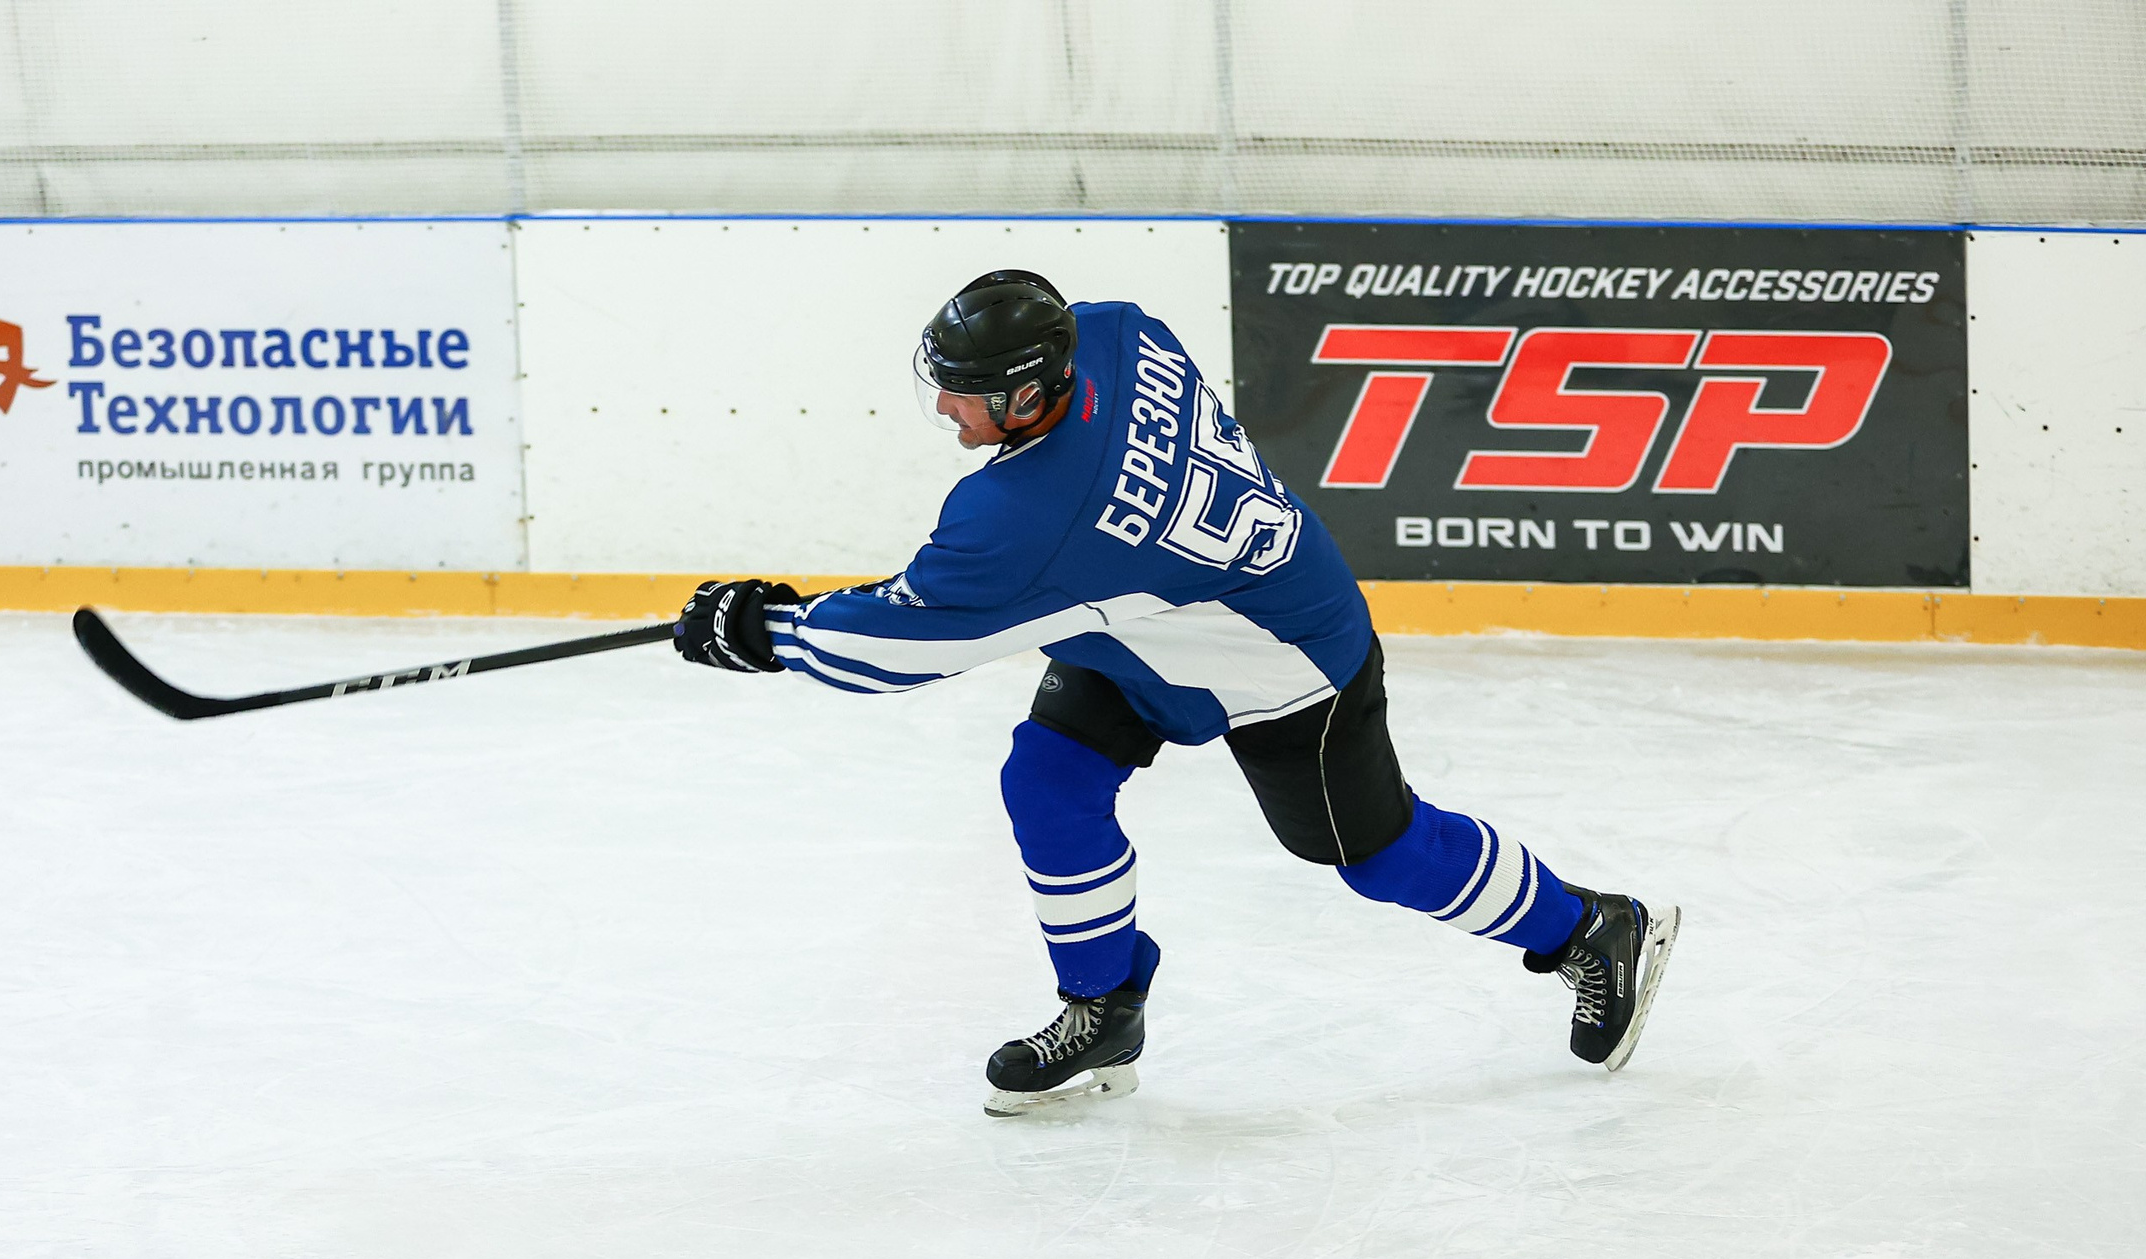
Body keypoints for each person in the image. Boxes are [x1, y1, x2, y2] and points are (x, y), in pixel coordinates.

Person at [673, 271, 1679, 1115]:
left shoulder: (1031, 517)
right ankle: (1104, 1008)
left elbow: (889, 654)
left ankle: (1587, 927)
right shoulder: (1110, 333)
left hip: (1281, 658)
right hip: (1145, 623)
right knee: (1047, 784)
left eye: (964, 393)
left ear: (1028, 398)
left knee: (1373, 853)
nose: (944, 408)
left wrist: (766, 631)